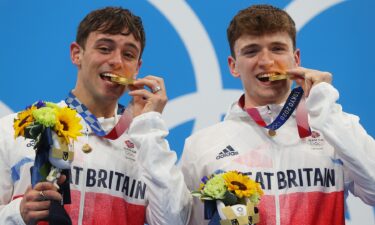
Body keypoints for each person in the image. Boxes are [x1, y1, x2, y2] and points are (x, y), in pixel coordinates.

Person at [180, 4, 375, 225]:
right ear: (233, 66)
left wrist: (327, 112)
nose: (266, 61)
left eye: (277, 48)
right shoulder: (202, 145)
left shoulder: (334, 129)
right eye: (251, 51)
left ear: (296, 59)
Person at [0, 6, 191, 225]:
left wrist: (149, 126)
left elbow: (174, 220)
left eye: (128, 55)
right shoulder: (17, 128)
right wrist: (17, 213)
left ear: (137, 68)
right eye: (104, 48)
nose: (117, 61)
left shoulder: (145, 141)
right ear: (76, 54)